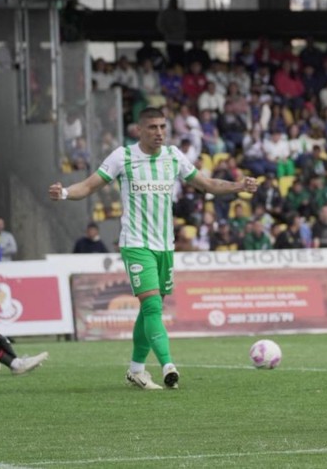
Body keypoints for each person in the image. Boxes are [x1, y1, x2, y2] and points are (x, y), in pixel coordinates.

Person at [49, 107, 259, 390]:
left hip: (165, 246)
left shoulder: (173, 156)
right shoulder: (123, 157)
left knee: (149, 310)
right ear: (139, 130)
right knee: (152, 305)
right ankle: (168, 365)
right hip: (136, 244)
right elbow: (88, 186)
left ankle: (136, 369)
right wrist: (63, 193)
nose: (159, 132)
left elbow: (207, 184)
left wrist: (238, 186)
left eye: (162, 126)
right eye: (152, 128)